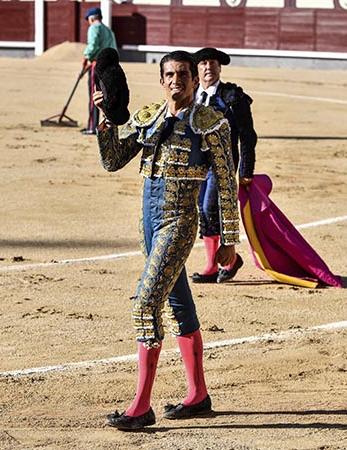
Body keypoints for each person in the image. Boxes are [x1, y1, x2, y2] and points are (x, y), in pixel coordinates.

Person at [93, 50, 239, 430]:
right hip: (149, 222)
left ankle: (141, 406)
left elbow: (226, 183)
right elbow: (112, 161)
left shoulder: (211, 123)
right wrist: (106, 118)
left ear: (193, 81)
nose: (177, 80)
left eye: (183, 75)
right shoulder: (150, 117)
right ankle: (198, 395)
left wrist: (229, 238)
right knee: (178, 305)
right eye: (170, 74)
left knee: (145, 305)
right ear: (161, 81)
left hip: (178, 221)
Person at [190, 47, 257, 284]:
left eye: (213, 63)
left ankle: (227, 260)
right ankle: (214, 263)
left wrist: (246, 171)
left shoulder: (232, 97)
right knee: (201, 210)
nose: (208, 67)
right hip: (195, 164)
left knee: (211, 208)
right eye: (203, 63)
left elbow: (248, 136)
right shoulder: (190, 94)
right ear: (197, 69)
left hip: (223, 164)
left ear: (219, 68)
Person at [81, 7, 117, 135]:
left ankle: (92, 126)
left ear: (91, 18)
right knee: (106, 95)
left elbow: (93, 46)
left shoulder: (94, 28)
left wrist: (86, 57)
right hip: (110, 66)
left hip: (97, 65)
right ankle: (107, 124)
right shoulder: (109, 31)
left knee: (94, 96)